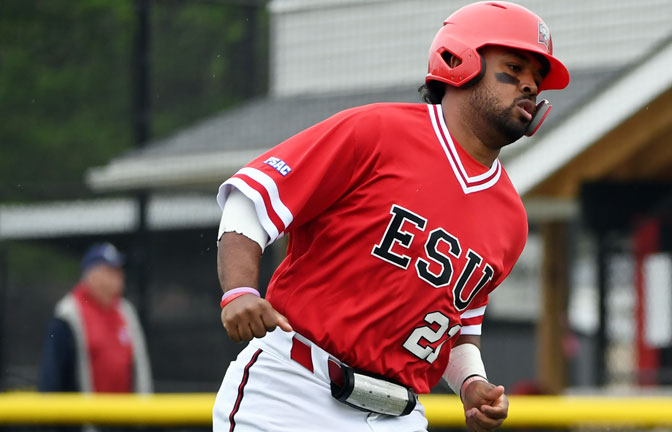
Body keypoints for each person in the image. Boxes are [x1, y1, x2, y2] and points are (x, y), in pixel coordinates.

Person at [212, 2, 569, 431]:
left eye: (537, 78)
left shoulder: (511, 219)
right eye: (514, 68)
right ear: (458, 61)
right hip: (293, 389)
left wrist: (472, 382)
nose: (530, 85)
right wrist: (239, 291)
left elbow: (454, 329)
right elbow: (250, 200)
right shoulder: (377, 132)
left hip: (398, 413)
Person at [39, 242, 152, 395]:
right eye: (110, 271)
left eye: (119, 271)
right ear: (91, 274)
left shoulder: (126, 312)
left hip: (125, 416)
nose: (119, 276)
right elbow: (52, 378)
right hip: (84, 416)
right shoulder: (68, 315)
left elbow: (140, 369)